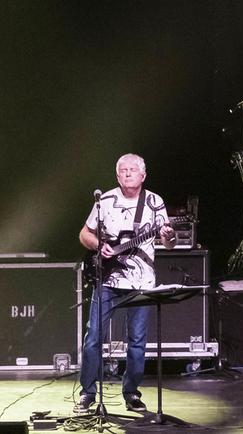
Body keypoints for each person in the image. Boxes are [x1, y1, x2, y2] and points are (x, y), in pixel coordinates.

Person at [74, 153, 176, 413]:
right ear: (117, 175)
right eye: (123, 170)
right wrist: (101, 246)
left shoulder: (155, 202)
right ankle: (88, 393)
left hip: (141, 280)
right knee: (93, 337)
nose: (128, 173)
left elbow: (168, 242)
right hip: (107, 278)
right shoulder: (105, 200)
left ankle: (131, 392)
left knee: (138, 340)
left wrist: (169, 235)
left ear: (143, 175)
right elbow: (85, 234)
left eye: (133, 169)